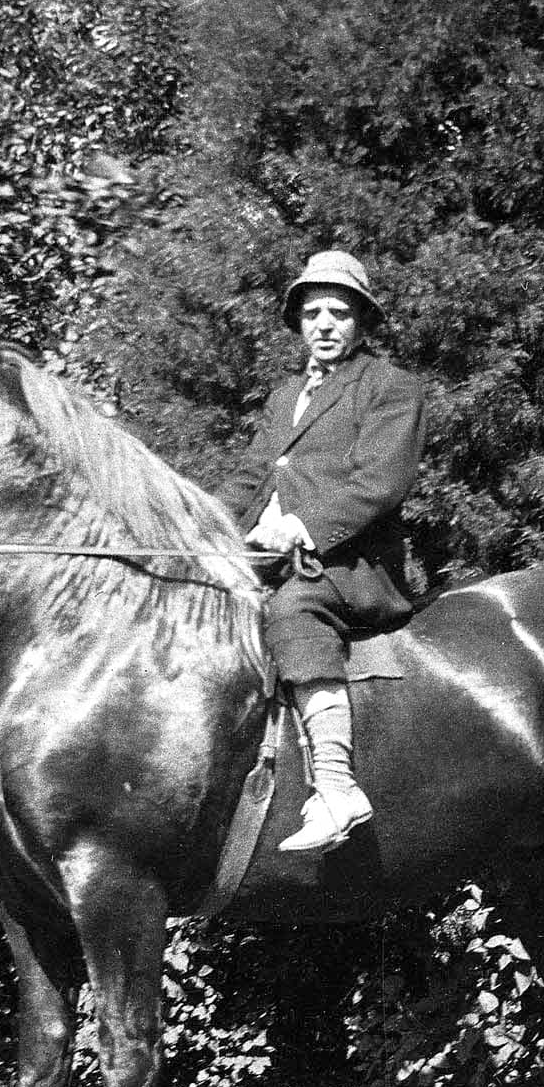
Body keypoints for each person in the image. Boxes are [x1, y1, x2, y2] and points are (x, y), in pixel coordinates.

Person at [216, 251, 427, 853]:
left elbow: (380, 482)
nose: (325, 324)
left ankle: (336, 787)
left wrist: (299, 525)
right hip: (279, 556)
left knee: (290, 609)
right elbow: (253, 475)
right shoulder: (284, 396)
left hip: (352, 567)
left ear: (362, 321)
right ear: (299, 323)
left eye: (339, 312)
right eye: (313, 313)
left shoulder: (391, 387)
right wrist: (206, 530)